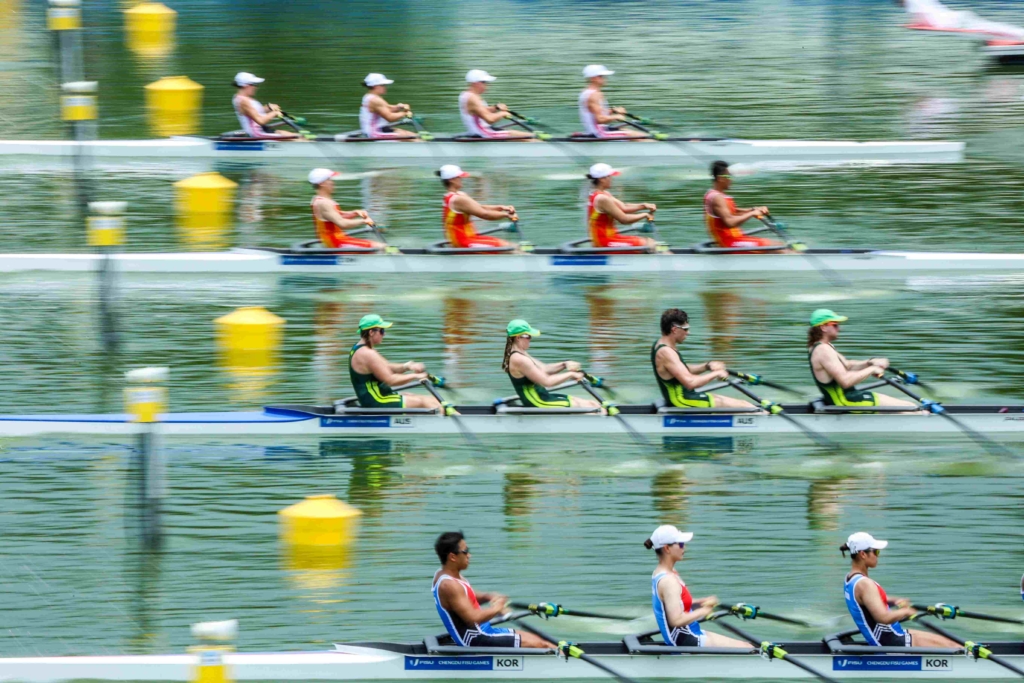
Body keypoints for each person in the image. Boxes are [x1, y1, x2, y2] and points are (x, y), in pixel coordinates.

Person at [433, 531, 555, 648]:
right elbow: (473, 618)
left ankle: (561, 655)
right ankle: (563, 658)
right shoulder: (449, 585)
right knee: (543, 645)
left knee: (541, 640)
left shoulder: (447, 574)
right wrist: (497, 608)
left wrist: (488, 597)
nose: (469, 555)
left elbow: (466, 598)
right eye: (465, 551)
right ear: (452, 557)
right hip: (475, 639)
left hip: (484, 631)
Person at [841, 532, 959, 648]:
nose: (878, 556)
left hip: (893, 635)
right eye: (876, 552)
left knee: (949, 641)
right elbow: (883, 618)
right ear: (863, 554)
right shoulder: (865, 584)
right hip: (891, 643)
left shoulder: (850, 579)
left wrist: (894, 601)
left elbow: (870, 600)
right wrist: (906, 611)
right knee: (955, 646)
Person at [648, 525, 751, 648]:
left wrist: (701, 602)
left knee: (748, 645)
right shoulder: (668, 581)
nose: (684, 547)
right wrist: (703, 611)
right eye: (681, 544)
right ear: (667, 548)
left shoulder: (663, 572)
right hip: (685, 641)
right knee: (749, 648)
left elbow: (677, 603)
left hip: (691, 633)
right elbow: (676, 620)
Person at [808, 309, 918, 409]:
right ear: (823, 327)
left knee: (908, 406)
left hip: (849, 397)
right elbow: (846, 381)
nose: (839, 328)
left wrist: (870, 362)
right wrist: (872, 370)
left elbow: (847, 365)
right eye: (835, 325)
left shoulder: (824, 346)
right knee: (911, 408)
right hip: (845, 402)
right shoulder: (823, 350)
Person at [653, 309, 757, 409]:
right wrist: (716, 374)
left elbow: (681, 369)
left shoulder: (660, 344)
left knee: (743, 404)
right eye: (685, 329)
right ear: (674, 329)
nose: (688, 333)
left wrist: (707, 366)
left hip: (687, 397)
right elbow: (690, 383)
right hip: (683, 400)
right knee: (747, 406)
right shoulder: (666, 353)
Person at [502, 319, 602, 410]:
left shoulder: (521, 353)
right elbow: (547, 381)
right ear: (518, 337)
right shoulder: (519, 359)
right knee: (594, 409)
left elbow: (545, 369)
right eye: (528, 336)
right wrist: (571, 374)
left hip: (543, 396)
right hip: (537, 402)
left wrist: (564, 364)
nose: (530, 339)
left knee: (592, 404)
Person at [348, 314, 441, 410]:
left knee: (427, 399)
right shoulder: (368, 354)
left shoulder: (360, 348)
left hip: (380, 396)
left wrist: (407, 366)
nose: (384, 334)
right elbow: (391, 380)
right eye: (382, 331)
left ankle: (443, 414)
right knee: (423, 402)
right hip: (377, 401)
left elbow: (386, 367)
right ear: (371, 332)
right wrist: (415, 376)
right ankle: (447, 416)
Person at [704, 160, 792, 252]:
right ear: (720, 178)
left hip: (736, 239)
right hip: (730, 243)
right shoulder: (717, 198)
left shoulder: (715, 195)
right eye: (728, 176)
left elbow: (731, 211)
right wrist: (752, 214)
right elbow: (730, 222)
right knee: (778, 247)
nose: (731, 180)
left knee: (778, 244)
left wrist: (753, 209)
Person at [438, 165, 520, 251]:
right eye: (459, 177)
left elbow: (480, 207)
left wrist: (501, 207)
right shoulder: (458, 199)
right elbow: (484, 214)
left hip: (471, 238)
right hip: (462, 243)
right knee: (509, 248)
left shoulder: (458, 195)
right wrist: (506, 215)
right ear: (451, 180)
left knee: (511, 245)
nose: (461, 179)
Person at [308, 168, 387, 251]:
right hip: (336, 244)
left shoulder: (320, 200)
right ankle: (393, 253)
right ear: (321, 183)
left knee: (377, 245)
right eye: (329, 180)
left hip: (337, 240)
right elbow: (343, 224)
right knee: (382, 247)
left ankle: (390, 253)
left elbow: (337, 216)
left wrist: (355, 213)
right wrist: (363, 221)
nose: (333, 182)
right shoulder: (324, 203)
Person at [585, 163, 658, 252]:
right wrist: (645, 215)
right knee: (650, 244)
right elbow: (624, 219)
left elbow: (624, 207)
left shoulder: (603, 194)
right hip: (603, 243)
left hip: (611, 238)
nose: (611, 179)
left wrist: (644, 205)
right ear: (602, 179)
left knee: (652, 242)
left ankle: (665, 255)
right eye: (610, 176)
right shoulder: (602, 199)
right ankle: (668, 257)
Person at [459, 70, 533, 139]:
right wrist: (502, 113)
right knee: (526, 136)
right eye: (484, 82)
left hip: (481, 131)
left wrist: (496, 107)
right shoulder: (473, 98)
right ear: (475, 83)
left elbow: (481, 111)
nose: (487, 85)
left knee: (519, 134)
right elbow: (490, 119)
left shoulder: (467, 95)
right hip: (483, 134)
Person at [578, 65, 647, 139]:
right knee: (642, 137)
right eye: (601, 76)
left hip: (598, 130)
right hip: (599, 133)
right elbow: (599, 119)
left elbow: (597, 113)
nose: (605, 78)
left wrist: (613, 111)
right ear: (593, 78)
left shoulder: (587, 92)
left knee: (631, 132)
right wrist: (615, 117)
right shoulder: (594, 95)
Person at [231, 72, 301, 140]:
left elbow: (254, 112)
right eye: (254, 84)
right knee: (297, 139)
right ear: (245, 85)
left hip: (263, 130)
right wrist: (274, 113)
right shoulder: (243, 101)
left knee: (300, 136)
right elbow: (260, 121)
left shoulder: (244, 98)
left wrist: (268, 108)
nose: (256, 87)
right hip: (258, 134)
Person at [359, 73, 418, 140]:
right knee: (412, 137)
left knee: (410, 135)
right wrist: (405, 113)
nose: (385, 87)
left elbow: (388, 109)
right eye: (383, 85)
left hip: (377, 130)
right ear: (375, 86)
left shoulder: (369, 96)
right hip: (374, 134)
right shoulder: (375, 100)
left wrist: (399, 107)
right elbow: (390, 117)